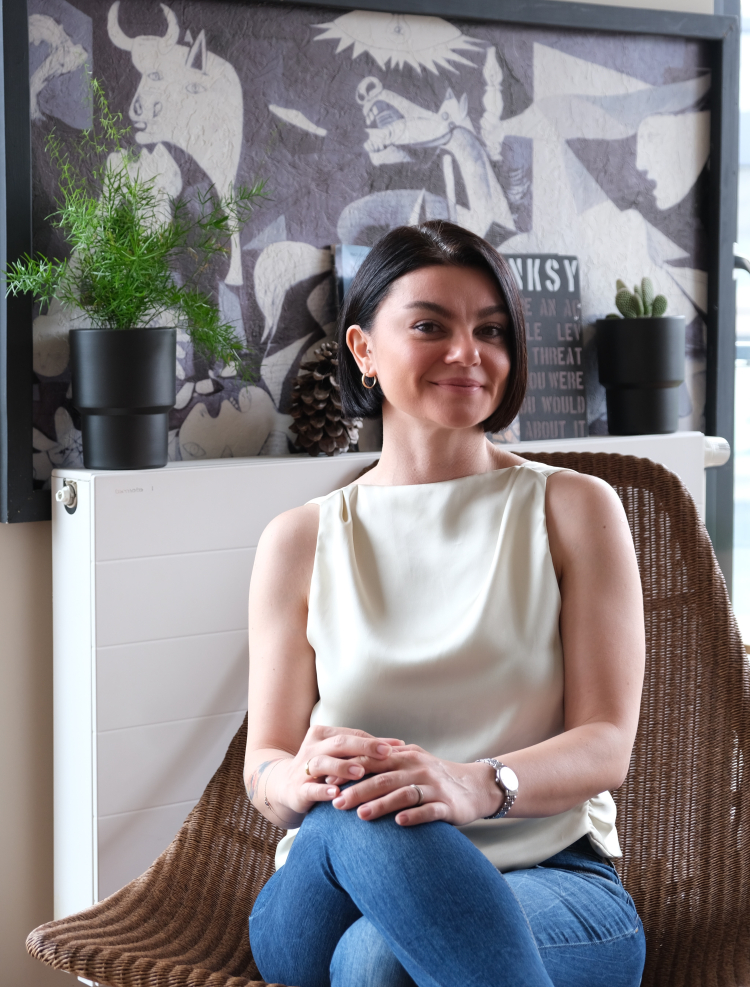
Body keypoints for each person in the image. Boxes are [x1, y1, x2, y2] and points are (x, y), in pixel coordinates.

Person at [244, 220, 646, 987]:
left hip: (550, 874)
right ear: (363, 348)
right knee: (357, 804)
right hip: (327, 888)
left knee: (377, 962)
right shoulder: (299, 540)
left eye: (490, 330)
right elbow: (264, 758)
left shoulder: (573, 508)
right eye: (431, 325)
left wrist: (474, 782)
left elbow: (606, 743)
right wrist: (292, 780)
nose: (468, 352)